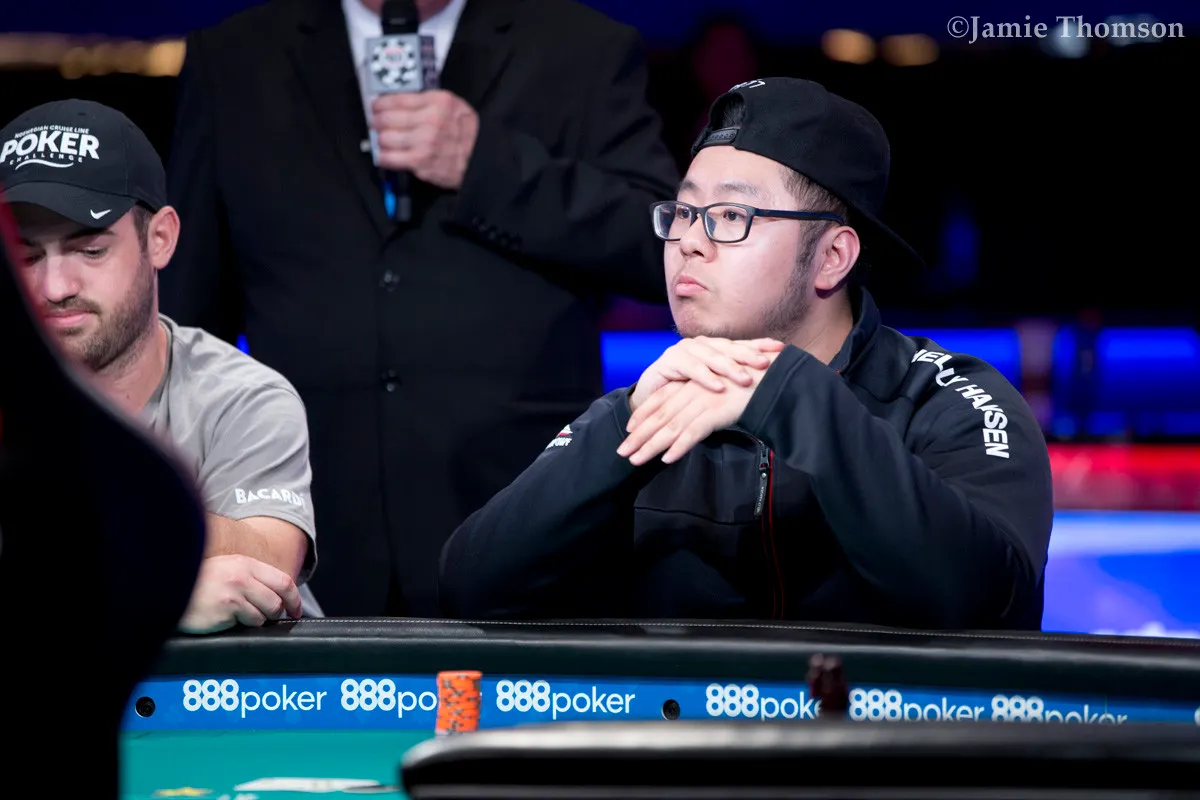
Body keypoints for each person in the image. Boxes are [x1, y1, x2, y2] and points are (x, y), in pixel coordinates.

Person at [439, 77, 1055, 630]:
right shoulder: (649, 407)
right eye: (684, 212)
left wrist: (791, 398)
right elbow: (470, 589)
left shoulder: (946, 401)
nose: (688, 241)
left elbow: (988, 602)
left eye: (731, 214)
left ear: (832, 257)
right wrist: (619, 433)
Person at [161, 0, 681, 617]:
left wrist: (487, 164)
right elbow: (190, 305)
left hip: (517, 513)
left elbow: (662, 246)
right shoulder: (233, 58)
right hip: (308, 515)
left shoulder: (581, 47)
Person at [0, 99, 320, 633]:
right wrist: (160, 596)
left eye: (90, 250)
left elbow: (268, 565)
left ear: (160, 239)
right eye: (26, 256)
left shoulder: (242, 397)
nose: (54, 287)